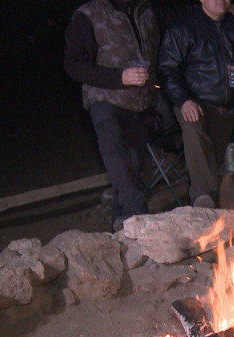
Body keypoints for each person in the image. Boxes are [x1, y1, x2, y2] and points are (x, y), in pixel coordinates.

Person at [64, 0, 160, 231]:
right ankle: (135, 214)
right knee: (111, 141)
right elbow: (74, 65)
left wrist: (230, 10)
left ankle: (122, 220)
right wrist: (119, 78)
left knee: (133, 165)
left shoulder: (145, 10)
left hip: (141, 101)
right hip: (104, 98)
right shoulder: (89, 15)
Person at [157, 0, 234, 209]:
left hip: (227, 106)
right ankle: (202, 199)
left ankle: (221, 209)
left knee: (213, 160)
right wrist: (184, 100)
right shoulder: (183, 28)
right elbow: (167, 70)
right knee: (194, 131)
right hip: (194, 102)